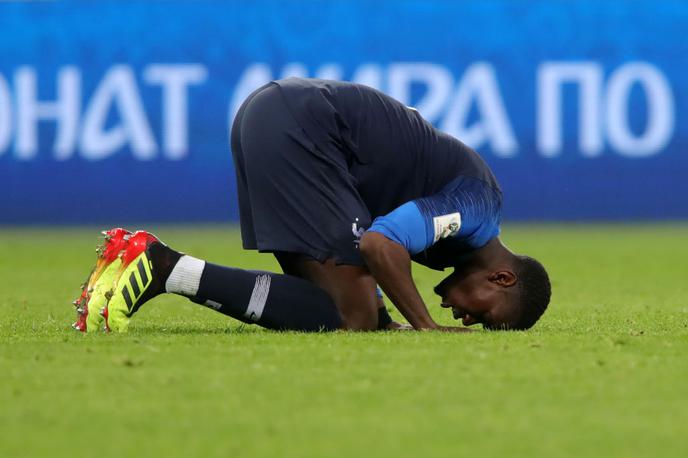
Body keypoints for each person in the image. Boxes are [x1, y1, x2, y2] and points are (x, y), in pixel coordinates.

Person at [71, 78, 551, 333]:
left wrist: (387, 318)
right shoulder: (477, 208)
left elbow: (363, 236)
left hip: (279, 117)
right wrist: (424, 325)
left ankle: (152, 267)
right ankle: (162, 266)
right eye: (485, 316)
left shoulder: (466, 227)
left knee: (336, 310)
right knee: (354, 316)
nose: (466, 319)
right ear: (501, 278)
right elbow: (381, 244)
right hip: (304, 127)